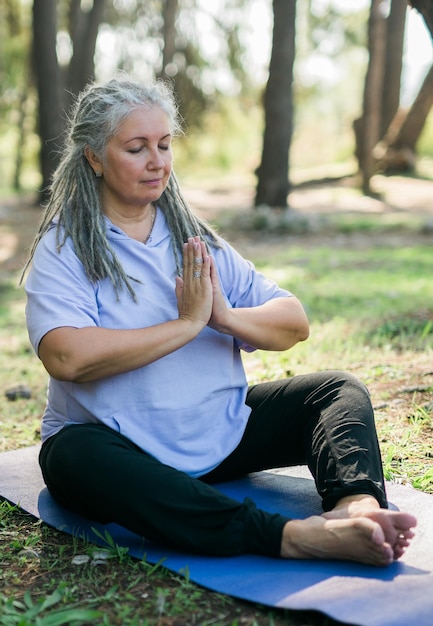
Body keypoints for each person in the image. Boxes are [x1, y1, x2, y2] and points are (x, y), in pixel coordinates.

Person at [23, 77, 416, 567]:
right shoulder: (66, 248)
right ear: (95, 157)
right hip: (122, 450)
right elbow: (66, 356)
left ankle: (354, 510)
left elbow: (294, 322)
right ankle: (292, 537)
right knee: (72, 456)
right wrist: (186, 325)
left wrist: (224, 316)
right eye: (136, 147)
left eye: (165, 145)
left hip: (220, 434)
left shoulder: (194, 240)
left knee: (335, 390)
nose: (157, 161)